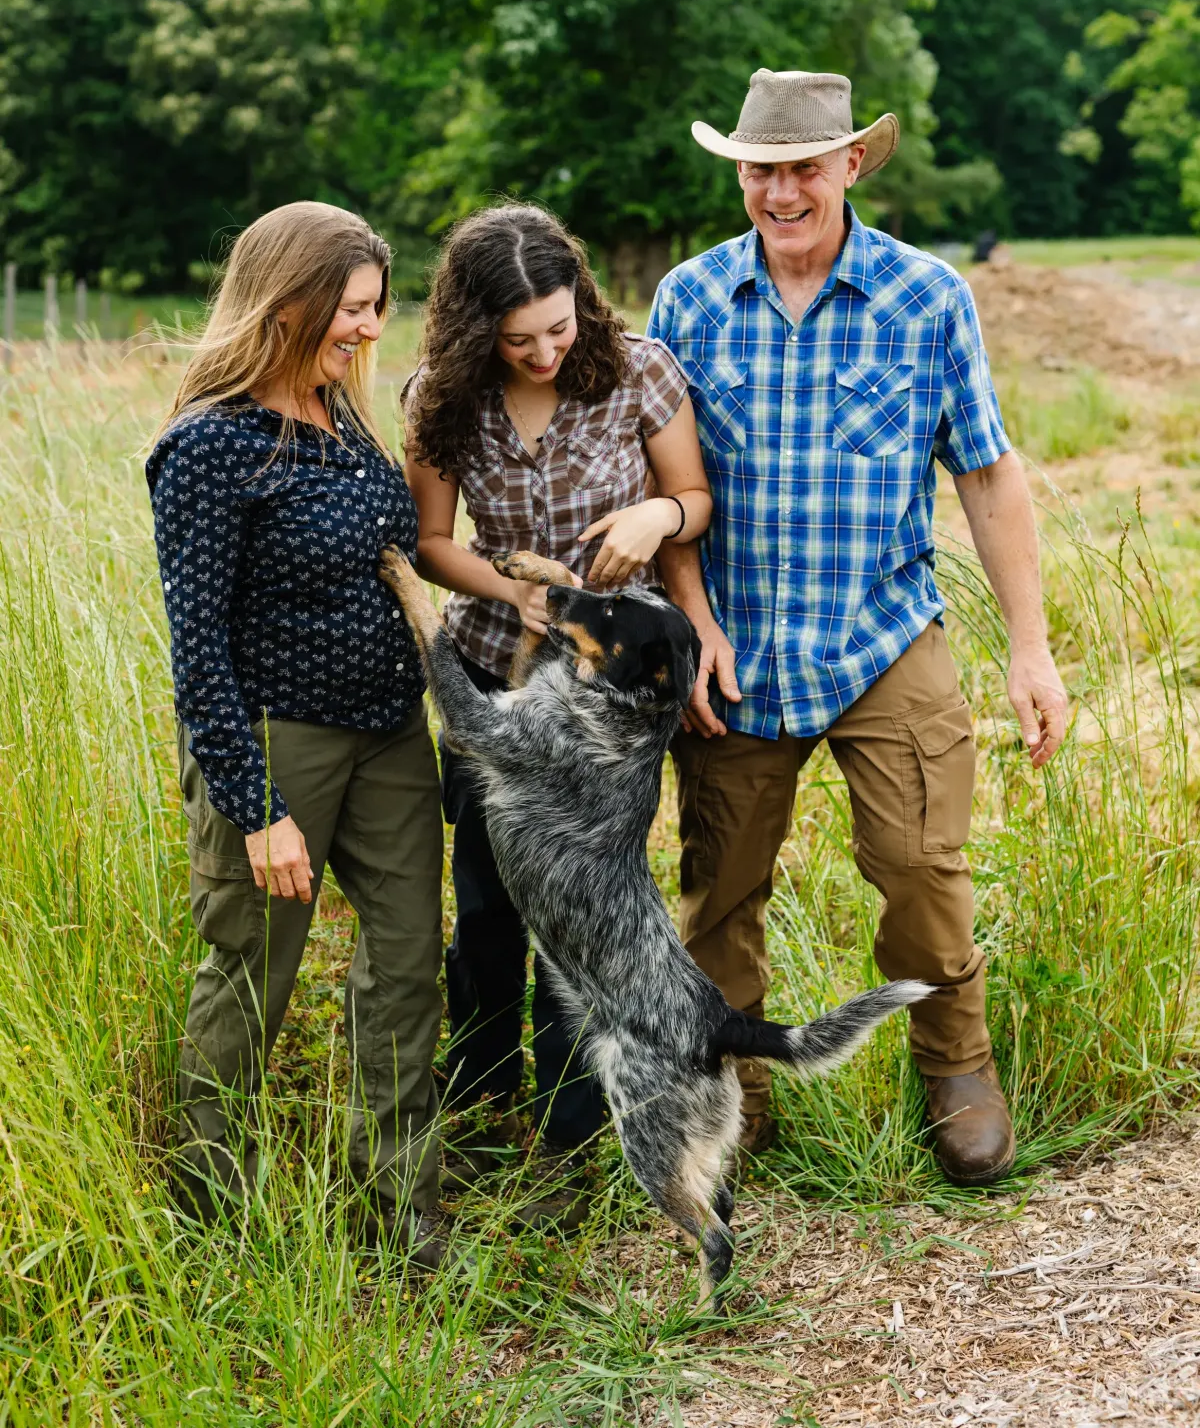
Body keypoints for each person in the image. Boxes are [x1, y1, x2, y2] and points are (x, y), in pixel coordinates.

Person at [648, 69, 1069, 1184]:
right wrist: (691, 622)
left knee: (922, 865)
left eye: (801, 167)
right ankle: (730, 1091)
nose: (780, 190)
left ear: (849, 165)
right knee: (721, 886)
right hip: (735, 640)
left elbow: (985, 471)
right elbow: (666, 483)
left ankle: (957, 1067)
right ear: (740, 172)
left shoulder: (926, 296)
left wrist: (1031, 648)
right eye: (760, 169)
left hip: (884, 630)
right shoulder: (687, 299)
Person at [147, 201, 451, 1267]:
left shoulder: (344, 418)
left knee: (409, 961)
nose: (371, 329)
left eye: (376, 307)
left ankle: (404, 1209)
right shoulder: (207, 446)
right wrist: (257, 806)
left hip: (388, 736)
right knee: (248, 971)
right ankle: (213, 1221)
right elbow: (197, 649)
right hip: (278, 742)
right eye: (355, 309)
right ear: (291, 304)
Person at [404, 202, 711, 1222]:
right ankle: (484, 1100)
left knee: (579, 914)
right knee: (488, 900)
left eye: (559, 326)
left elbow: (692, 497)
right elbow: (432, 540)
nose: (544, 349)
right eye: (518, 336)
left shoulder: (640, 369)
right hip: (498, 668)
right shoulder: (442, 397)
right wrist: (510, 592)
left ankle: (572, 1139)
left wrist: (651, 515)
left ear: (581, 299)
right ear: (474, 329)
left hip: (607, 697)